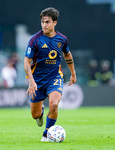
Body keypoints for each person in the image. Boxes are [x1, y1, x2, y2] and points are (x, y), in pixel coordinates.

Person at [24, 7, 76, 142]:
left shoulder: (62, 39)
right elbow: (26, 62)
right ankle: (40, 112)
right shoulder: (35, 39)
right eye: (42, 22)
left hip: (55, 77)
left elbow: (68, 55)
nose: (44, 25)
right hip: (37, 80)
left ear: (55, 23)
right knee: (35, 115)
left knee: (54, 104)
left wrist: (73, 73)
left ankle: (47, 133)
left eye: (47, 22)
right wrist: (31, 81)